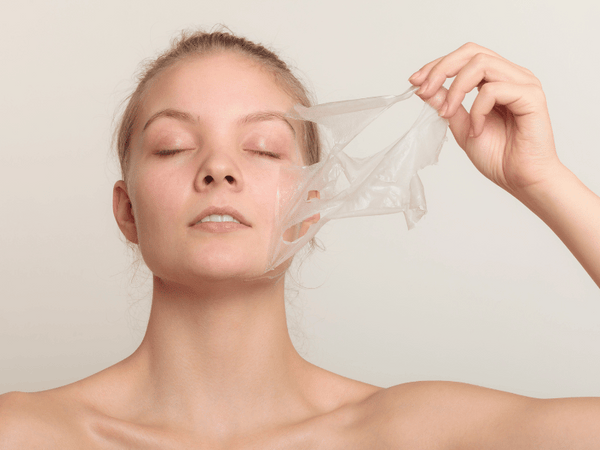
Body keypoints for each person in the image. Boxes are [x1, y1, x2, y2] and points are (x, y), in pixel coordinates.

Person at [0, 30, 599, 449]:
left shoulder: (413, 433)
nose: (218, 168)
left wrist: (543, 180)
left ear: (312, 206)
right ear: (127, 211)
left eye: (262, 149)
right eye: (173, 147)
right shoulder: (23, 434)